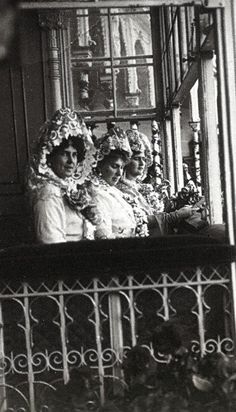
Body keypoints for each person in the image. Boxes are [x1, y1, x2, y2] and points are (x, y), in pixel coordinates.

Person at [26, 107, 97, 244]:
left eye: (75, 155)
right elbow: (51, 243)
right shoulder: (48, 192)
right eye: (65, 154)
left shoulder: (68, 187)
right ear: (50, 157)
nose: (71, 161)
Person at [117, 129, 196, 236]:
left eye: (144, 159)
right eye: (136, 158)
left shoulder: (140, 187)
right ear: (126, 161)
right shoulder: (120, 190)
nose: (142, 163)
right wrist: (176, 216)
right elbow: (137, 222)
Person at [91, 126, 139, 239]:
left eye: (122, 167)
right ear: (100, 165)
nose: (119, 173)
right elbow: (104, 237)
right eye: (114, 166)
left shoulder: (114, 191)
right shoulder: (97, 194)